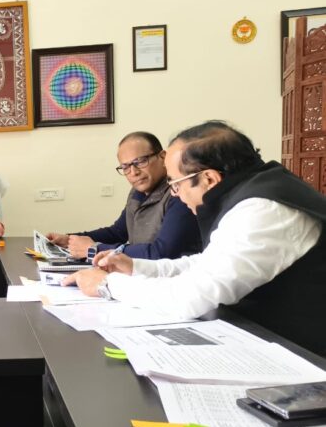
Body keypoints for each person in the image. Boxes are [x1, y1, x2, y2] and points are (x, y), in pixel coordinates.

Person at [63, 121, 326, 355]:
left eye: (175, 183)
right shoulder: (252, 193)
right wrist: (136, 267)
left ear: (209, 178)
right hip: (272, 341)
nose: (174, 193)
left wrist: (108, 285)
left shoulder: (263, 210)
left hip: (305, 360)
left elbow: (191, 297)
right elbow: (208, 262)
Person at [47, 132, 201, 260]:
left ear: (162, 157)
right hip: (141, 273)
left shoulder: (180, 193)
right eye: (125, 167)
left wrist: (95, 249)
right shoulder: (137, 191)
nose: (133, 172)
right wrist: (70, 240)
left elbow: (162, 252)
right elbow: (118, 232)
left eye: (140, 162)